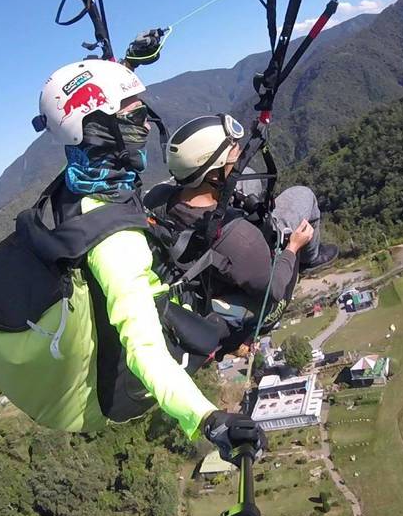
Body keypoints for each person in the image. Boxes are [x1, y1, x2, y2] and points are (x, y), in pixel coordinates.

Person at [35, 58, 266, 462]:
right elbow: (143, 346)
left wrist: (123, 64)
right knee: (256, 301)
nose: (146, 126)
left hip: (153, 293)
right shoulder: (115, 240)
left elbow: (86, 110)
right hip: (160, 335)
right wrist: (208, 419)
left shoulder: (82, 185)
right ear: (98, 129)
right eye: (136, 116)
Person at [155, 114, 339, 354]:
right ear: (213, 175)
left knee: (249, 177)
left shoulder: (159, 197)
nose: (240, 155)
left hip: (202, 260)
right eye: (234, 156)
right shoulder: (242, 240)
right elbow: (274, 290)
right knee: (303, 196)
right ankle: (309, 258)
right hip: (256, 285)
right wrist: (293, 247)